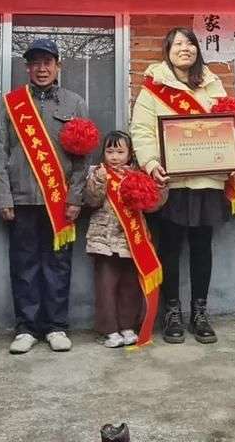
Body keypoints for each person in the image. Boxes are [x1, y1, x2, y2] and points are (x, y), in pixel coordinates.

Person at [129, 27, 235, 344]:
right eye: (178, 43)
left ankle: (200, 311)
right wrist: (152, 163)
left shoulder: (212, 83)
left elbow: (227, 127)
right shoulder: (154, 88)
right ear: (167, 51)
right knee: (169, 247)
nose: (185, 48)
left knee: (201, 247)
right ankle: (172, 311)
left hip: (208, 180)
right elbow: (141, 130)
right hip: (173, 182)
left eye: (190, 43)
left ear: (198, 49)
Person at [0, 38, 90, 354]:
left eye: (47, 62)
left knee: (58, 264)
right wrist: (3, 197)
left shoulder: (74, 103)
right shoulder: (11, 103)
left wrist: (76, 197)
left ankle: (57, 326)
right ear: (27, 67)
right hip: (21, 199)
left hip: (59, 200)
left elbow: (82, 158)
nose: (41, 68)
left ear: (58, 65)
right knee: (24, 264)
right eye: (35, 63)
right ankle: (26, 328)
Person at [83, 131, 166, 348]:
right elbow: (91, 201)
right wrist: (99, 182)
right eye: (110, 151)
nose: (115, 156)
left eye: (120, 152)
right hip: (104, 241)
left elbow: (154, 205)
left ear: (130, 154)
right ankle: (109, 330)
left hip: (132, 242)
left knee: (130, 287)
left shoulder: (138, 175)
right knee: (106, 287)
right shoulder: (98, 173)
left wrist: (159, 186)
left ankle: (128, 326)